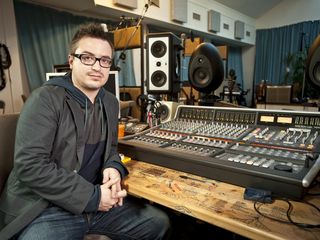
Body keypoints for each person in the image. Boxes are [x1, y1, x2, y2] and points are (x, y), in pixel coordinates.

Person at [0, 23, 170, 240]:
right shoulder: (44, 99)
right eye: (88, 58)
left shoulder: (110, 102)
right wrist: (94, 197)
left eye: (104, 60)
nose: (97, 67)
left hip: (96, 204)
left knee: (157, 224)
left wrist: (113, 167)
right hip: (46, 207)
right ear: (71, 61)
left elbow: (110, 149)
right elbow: (31, 166)